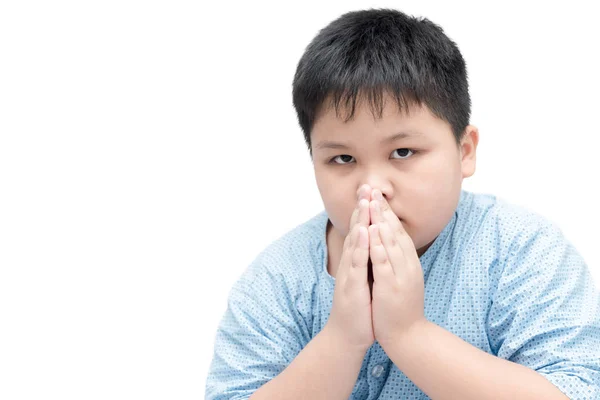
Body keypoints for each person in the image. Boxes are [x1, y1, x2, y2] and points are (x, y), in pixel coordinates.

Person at [205, 8, 600, 399]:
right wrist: (342, 340)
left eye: (404, 152)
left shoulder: (521, 251)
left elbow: (576, 389)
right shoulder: (279, 278)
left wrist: (410, 335)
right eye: (343, 159)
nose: (372, 189)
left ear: (464, 151)